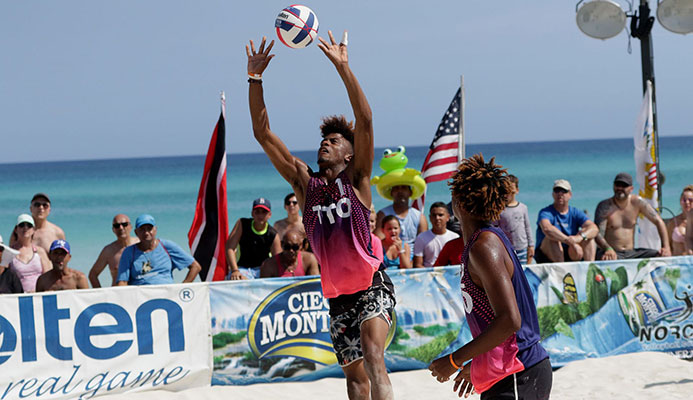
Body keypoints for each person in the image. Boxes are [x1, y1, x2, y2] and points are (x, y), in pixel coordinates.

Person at [247, 33, 395, 399]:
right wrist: (255, 80)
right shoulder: (305, 184)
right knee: (355, 381)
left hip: (372, 286)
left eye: (335, 140)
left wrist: (343, 67)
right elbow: (262, 133)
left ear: (349, 154)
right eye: (323, 139)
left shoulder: (357, 179)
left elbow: (365, 117)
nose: (325, 142)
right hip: (338, 298)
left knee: (374, 355)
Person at [429, 154, 551, 399]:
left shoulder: (484, 245)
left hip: (520, 373)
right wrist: (479, 362)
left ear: (459, 204)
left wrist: (454, 360)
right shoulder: (481, 241)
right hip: (506, 373)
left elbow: (510, 321)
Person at [594, 172, 671, 260]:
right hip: (612, 252)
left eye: (624, 186)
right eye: (617, 185)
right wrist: (608, 248)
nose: (620, 188)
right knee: (606, 258)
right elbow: (598, 234)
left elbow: (659, 221)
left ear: (631, 188)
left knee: (659, 256)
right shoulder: (605, 207)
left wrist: (666, 247)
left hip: (631, 253)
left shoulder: (637, 202)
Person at [116, 214, 201, 286]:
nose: (146, 233)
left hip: (166, 296)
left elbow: (195, 267)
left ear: (155, 229)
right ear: (136, 232)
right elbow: (122, 282)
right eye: (142, 229)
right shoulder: (129, 252)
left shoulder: (166, 246)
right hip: (140, 299)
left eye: (149, 228)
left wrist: (181, 288)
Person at [535, 179, 598, 263]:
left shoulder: (575, 212)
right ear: (553, 194)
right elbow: (547, 228)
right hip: (548, 253)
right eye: (557, 191)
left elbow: (594, 228)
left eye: (563, 191)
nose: (560, 194)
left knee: (589, 238)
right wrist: (569, 241)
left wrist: (579, 237)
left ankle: (589, 268)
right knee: (552, 238)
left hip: (571, 251)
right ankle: (562, 271)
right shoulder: (545, 212)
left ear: (570, 195)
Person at [226, 197, 282, 280]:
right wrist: (235, 270)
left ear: (269, 215)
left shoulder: (272, 234)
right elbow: (229, 248)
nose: (260, 215)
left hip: (262, 270)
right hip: (242, 268)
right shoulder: (242, 224)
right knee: (236, 278)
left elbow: (278, 259)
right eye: (257, 212)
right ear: (252, 213)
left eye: (264, 212)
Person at [88, 214, 139, 287]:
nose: (121, 228)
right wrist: (101, 295)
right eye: (117, 226)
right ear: (113, 230)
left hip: (138, 294)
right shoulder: (109, 251)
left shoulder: (140, 244)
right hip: (117, 295)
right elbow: (93, 274)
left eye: (124, 224)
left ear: (130, 227)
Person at [375, 185, 428, 251]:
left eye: (404, 188)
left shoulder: (420, 217)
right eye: (396, 188)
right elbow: (378, 242)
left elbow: (423, 246)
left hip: (412, 258)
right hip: (388, 257)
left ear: (410, 192)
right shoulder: (382, 215)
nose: (400, 191)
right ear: (391, 192)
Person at [8, 214, 51, 292]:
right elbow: (4, 279)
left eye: (29, 225)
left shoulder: (40, 251)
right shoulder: (10, 252)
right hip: (17, 298)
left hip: (38, 295)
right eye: (21, 225)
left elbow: (48, 276)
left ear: (33, 229)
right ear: (16, 229)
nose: (25, 228)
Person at [498, 175, 535, 264]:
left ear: (516, 190)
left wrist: (531, 245)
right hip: (506, 248)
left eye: (511, 191)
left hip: (522, 248)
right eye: (506, 191)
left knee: (523, 272)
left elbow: (527, 227)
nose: (508, 195)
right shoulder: (500, 210)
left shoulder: (523, 207)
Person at [413, 202, 459, 268]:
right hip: (428, 276)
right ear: (430, 217)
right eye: (434, 215)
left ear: (448, 217)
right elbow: (418, 264)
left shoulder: (455, 237)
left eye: (440, 215)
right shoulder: (421, 238)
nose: (437, 218)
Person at [666, 185, 693, 256]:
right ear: (680, 202)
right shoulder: (673, 222)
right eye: (684, 200)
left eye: (690, 200)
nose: (687, 202)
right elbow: (667, 245)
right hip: (678, 263)